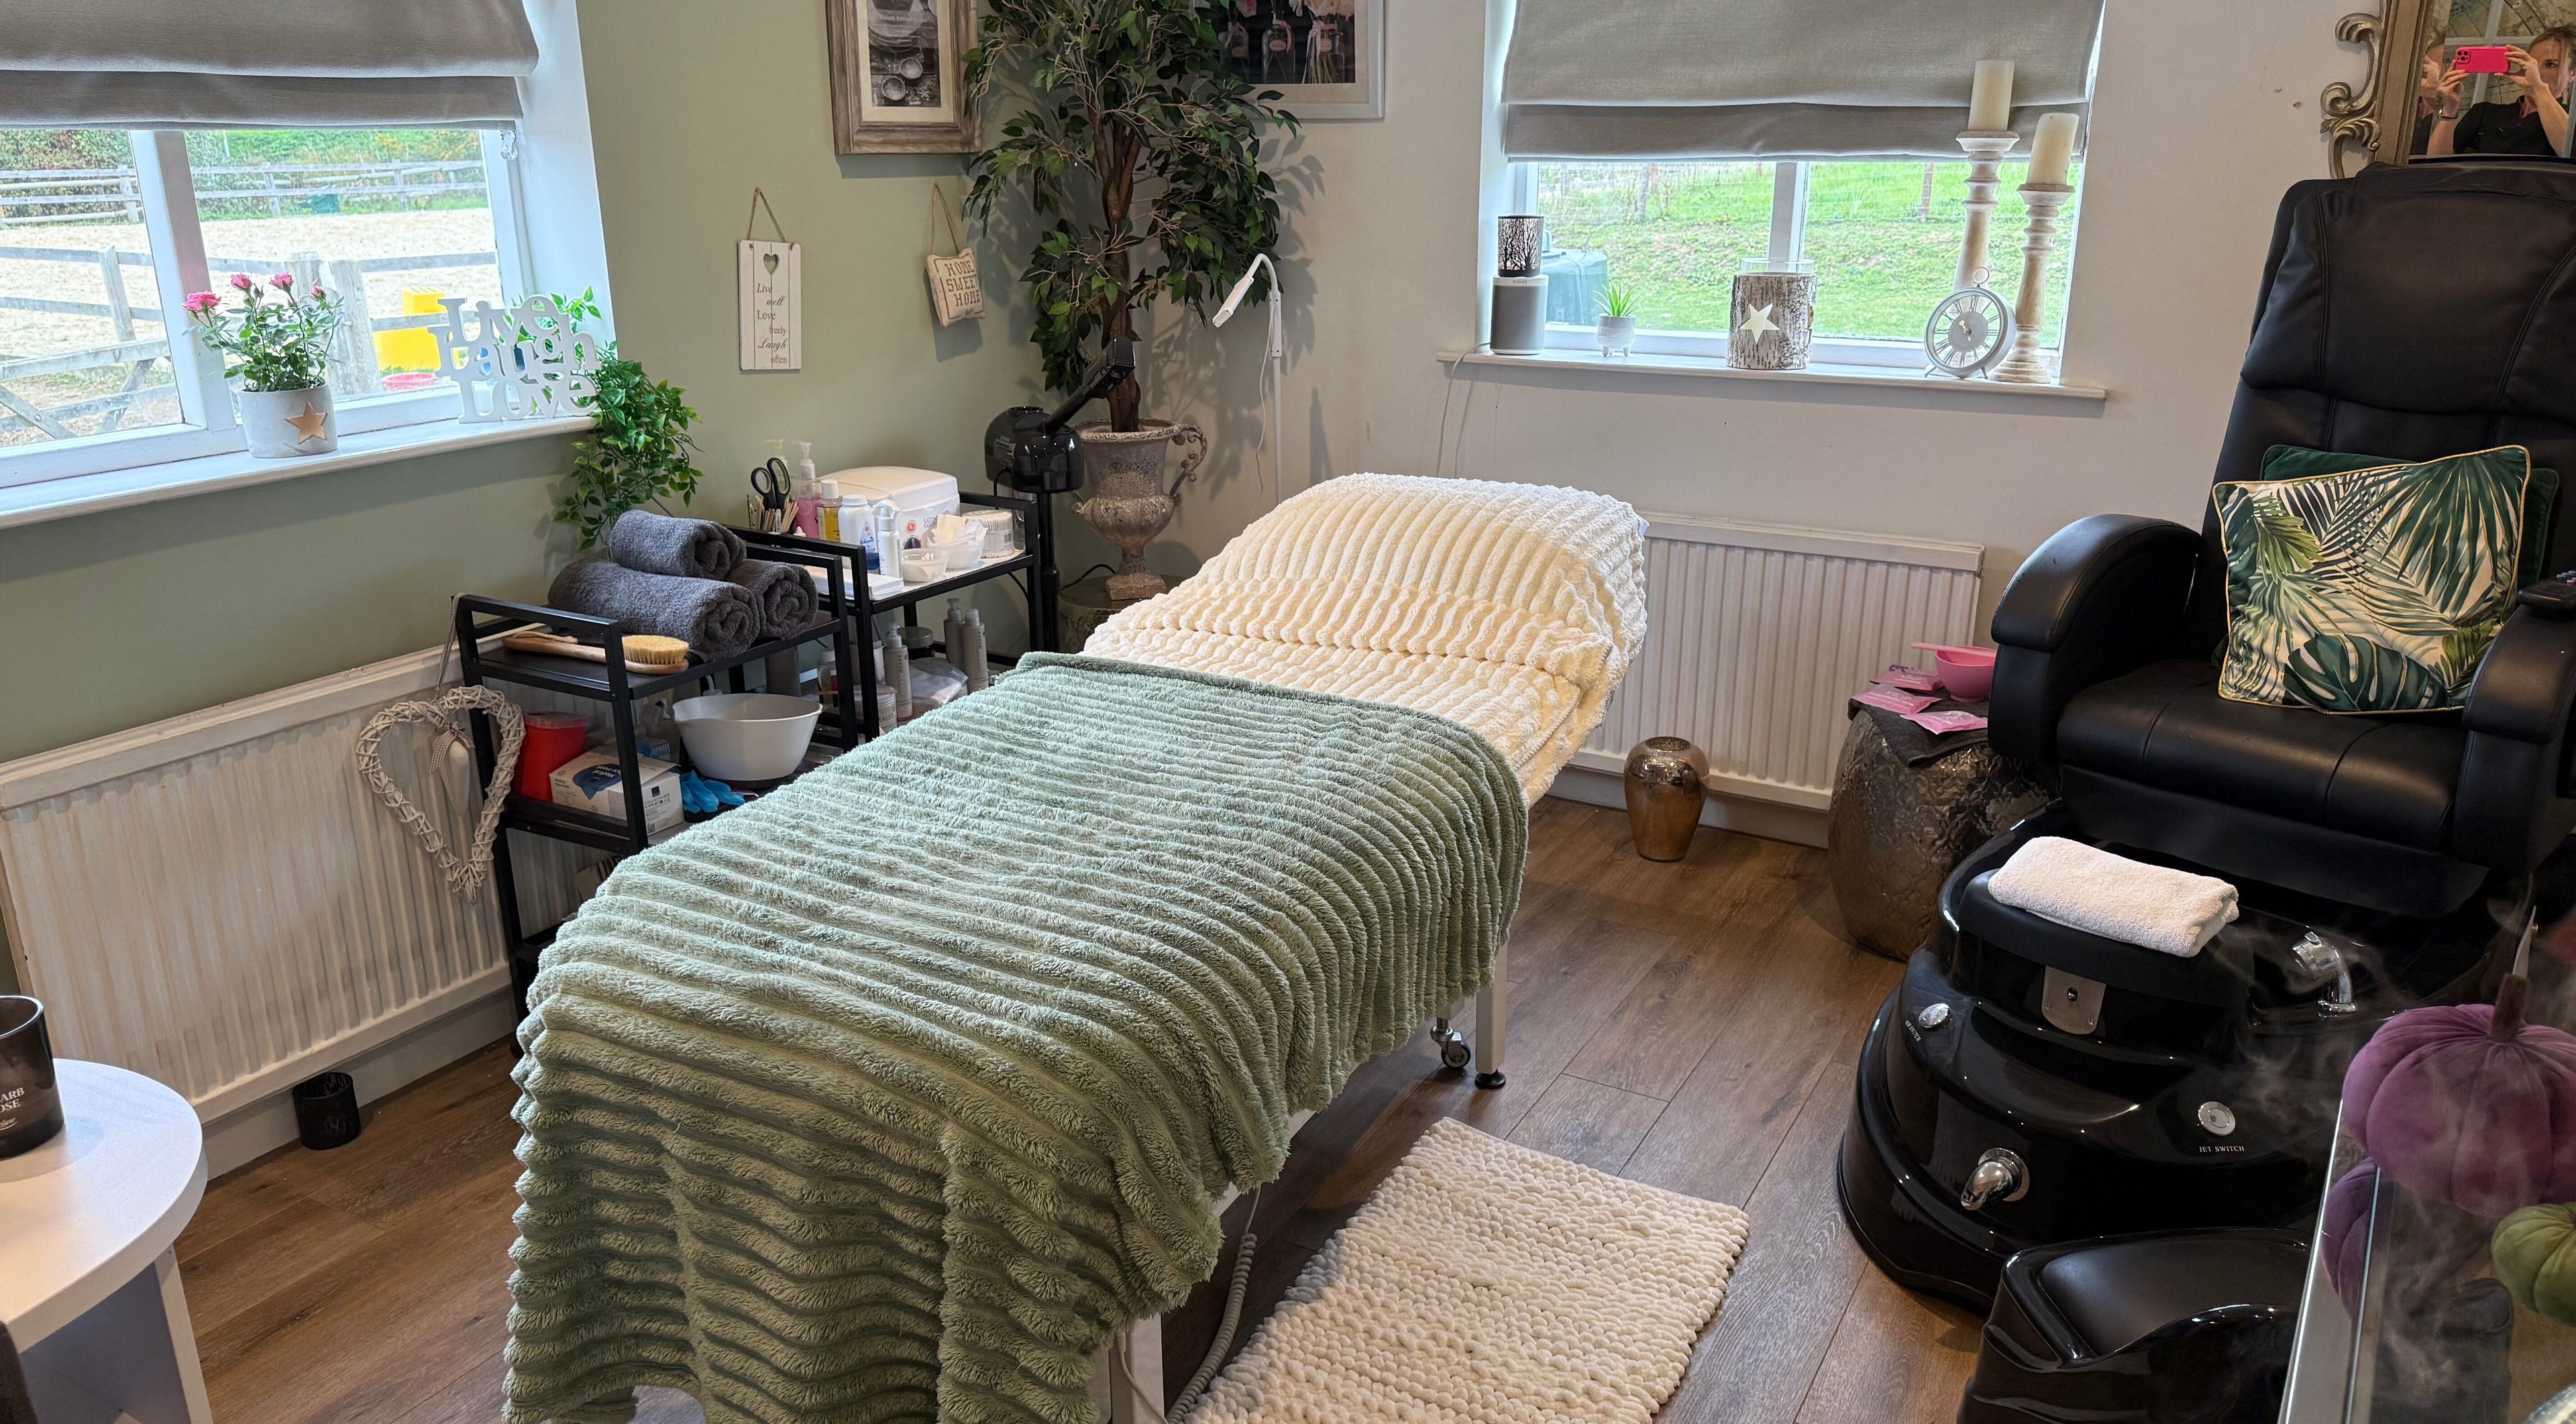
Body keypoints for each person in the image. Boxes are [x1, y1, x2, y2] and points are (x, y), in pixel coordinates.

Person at [2428, 27, 2575, 158]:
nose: (2536, 71)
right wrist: (2450, 108)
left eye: (2550, 65)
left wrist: (2538, 89)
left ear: (2573, 74)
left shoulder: (2570, 122)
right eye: (2533, 63)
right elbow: (2437, 164)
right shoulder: (2484, 112)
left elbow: (2569, 152)